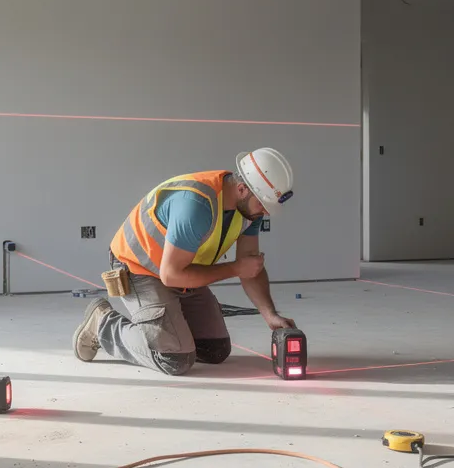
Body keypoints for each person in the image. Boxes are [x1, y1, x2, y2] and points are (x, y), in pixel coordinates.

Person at [71, 147, 297, 376]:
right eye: (263, 204)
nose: (265, 213)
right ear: (242, 189)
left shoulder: (249, 211)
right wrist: (235, 269)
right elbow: (172, 275)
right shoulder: (197, 206)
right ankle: (103, 325)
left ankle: (168, 329)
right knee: (174, 358)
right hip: (139, 269)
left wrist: (270, 314)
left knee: (215, 350)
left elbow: (251, 268)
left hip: (179, 271)